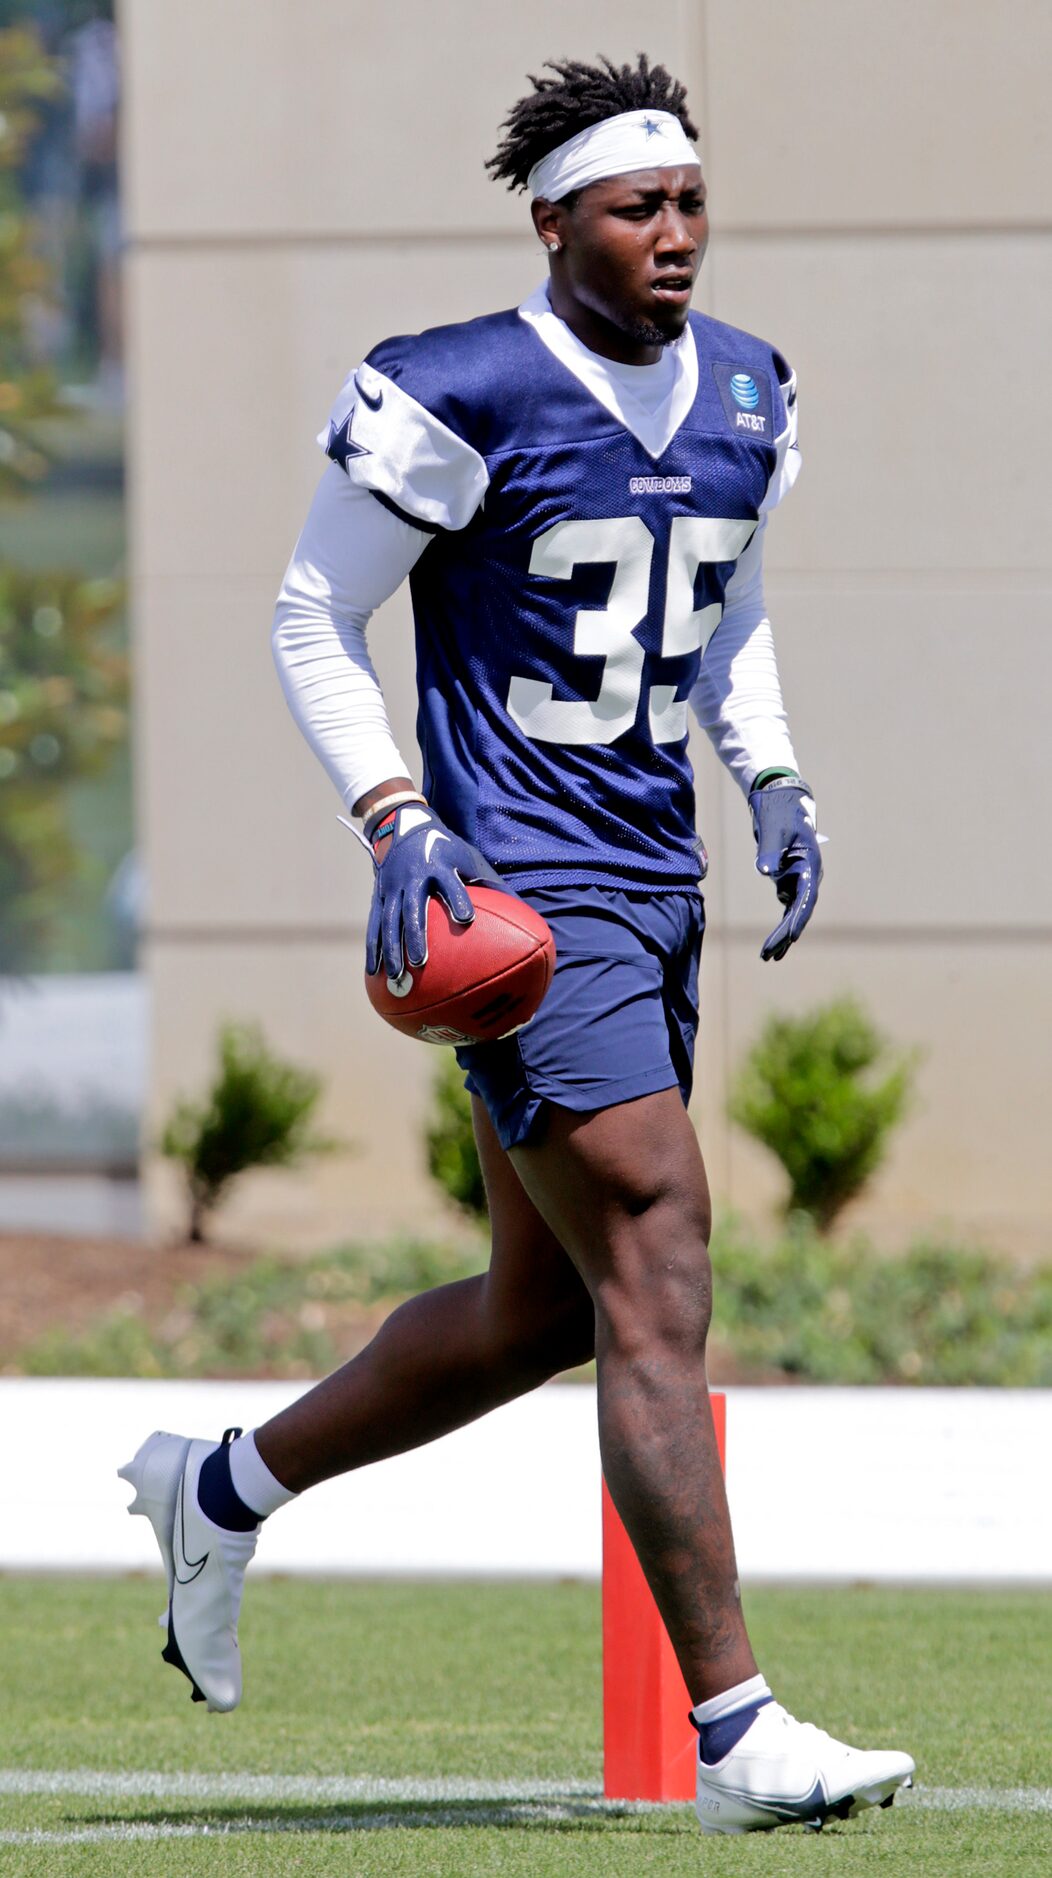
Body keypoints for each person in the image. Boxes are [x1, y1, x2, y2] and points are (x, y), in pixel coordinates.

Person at [120, 54, 914, 1835]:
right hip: (524, 897)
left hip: (655, 876)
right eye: (639, 207)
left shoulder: (748, 390)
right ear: (554, 219)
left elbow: (727, 604)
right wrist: (394, 811)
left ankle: (223, 1486)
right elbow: (312, 613)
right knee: (659, 1246)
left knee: (535, 1310)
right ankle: (739, 1729)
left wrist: (771, 772)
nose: (677, 236)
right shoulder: (454, 389)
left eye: (694, 202)